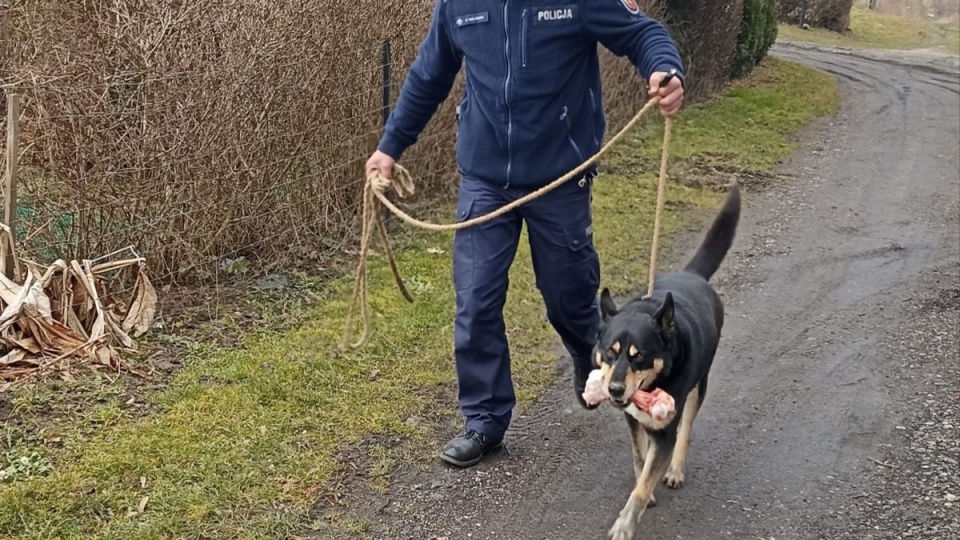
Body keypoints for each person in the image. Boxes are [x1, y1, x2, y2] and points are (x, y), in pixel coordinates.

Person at [365, 0, 685, 468]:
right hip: (484, 179)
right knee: (475, 301)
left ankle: (591, 357)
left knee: (569, 298)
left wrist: (665, 69)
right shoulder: (459, 6)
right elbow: (428, 76)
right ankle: (485, 421)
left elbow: (641, 33)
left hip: (561, 176)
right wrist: (389, 147)